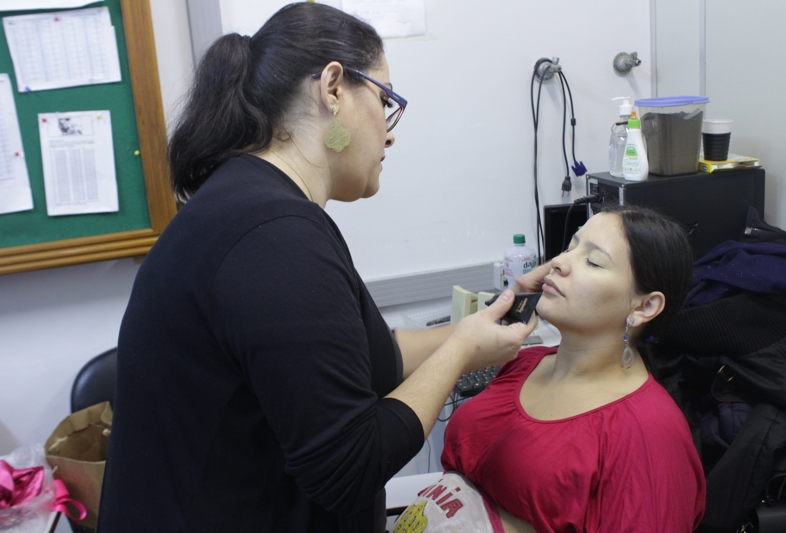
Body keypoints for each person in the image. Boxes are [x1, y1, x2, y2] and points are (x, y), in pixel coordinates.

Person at [97, 3, 535, 533]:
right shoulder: (273, 236)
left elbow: (377, 358)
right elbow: (350, 468)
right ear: (332, 88)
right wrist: (460, 352)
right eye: (385, 101)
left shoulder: (251, 205)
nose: (389, 134)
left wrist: (480, 324)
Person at [396, 205, 706, 533]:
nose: (558, 262)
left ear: (645, 306)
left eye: (593, 261)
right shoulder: (525, 363)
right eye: (570, 247)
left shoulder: (649, 432)